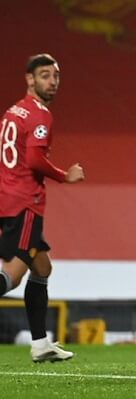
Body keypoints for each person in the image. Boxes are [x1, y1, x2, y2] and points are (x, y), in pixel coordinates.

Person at [0, 54, 84, 362]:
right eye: (45, 75)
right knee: (12, 275)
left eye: (56, 76)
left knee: (42, 268)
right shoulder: (39, 115)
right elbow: (34, 160)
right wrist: (66, 176)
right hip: (24, 205)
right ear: (30, 79)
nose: (53, 82)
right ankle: (40, 344)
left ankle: (40, 344)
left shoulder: (13, 112)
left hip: (8, 199)